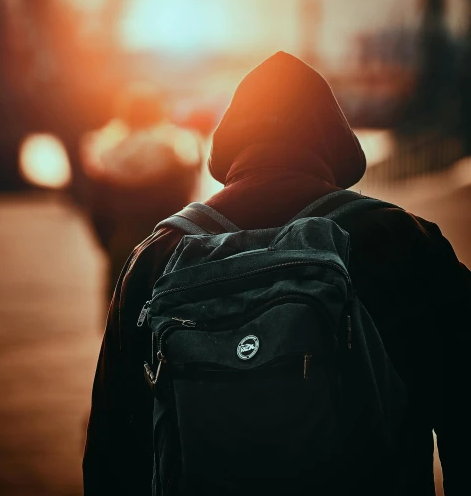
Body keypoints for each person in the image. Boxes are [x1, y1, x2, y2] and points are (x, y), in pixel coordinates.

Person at [83, 51, 471, 496]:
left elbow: (112, 458)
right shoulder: (403, 242)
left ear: (228, 151)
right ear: (335, 147)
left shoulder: (156, 257)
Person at [81, 82, 202, 296]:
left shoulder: (107, 156)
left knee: (123, 313)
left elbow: (98, 214)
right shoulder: (176, 154)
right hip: (167, 249)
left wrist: (110, 245)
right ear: (159, 112)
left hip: (123, 247)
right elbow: (187, 206)